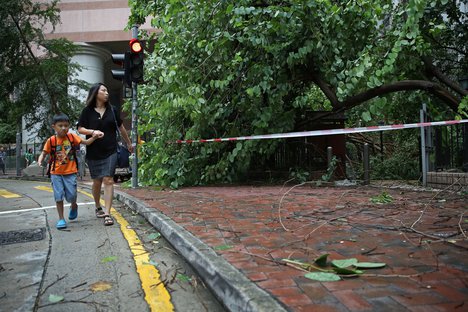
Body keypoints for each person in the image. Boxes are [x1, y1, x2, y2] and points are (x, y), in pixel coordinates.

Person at [77, 83, 133, 226]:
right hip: (94, 151)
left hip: (111, 149)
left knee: (108, 179)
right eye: (103, 90)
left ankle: (108, 213)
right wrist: (92, 132)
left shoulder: (112, 110)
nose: (106, 93)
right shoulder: (87, 111)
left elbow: (121, 128)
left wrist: (128, 143)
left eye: (107, 90)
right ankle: (97, 206)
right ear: (96, 93)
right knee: (97, 181)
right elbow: (80, 129)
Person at [38, 113, 99, 229]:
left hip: (70, 172)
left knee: (72, 195)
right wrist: (40, 160)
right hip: (55, 173)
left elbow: (86, 143)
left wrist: (94, 137)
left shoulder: (72, 137)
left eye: (66, 125)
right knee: (58, 196)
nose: (63, 128)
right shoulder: (51, 140)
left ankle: (74, 205)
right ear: (54, 127)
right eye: (60, 126)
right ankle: (61, 219)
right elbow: (44, 153)